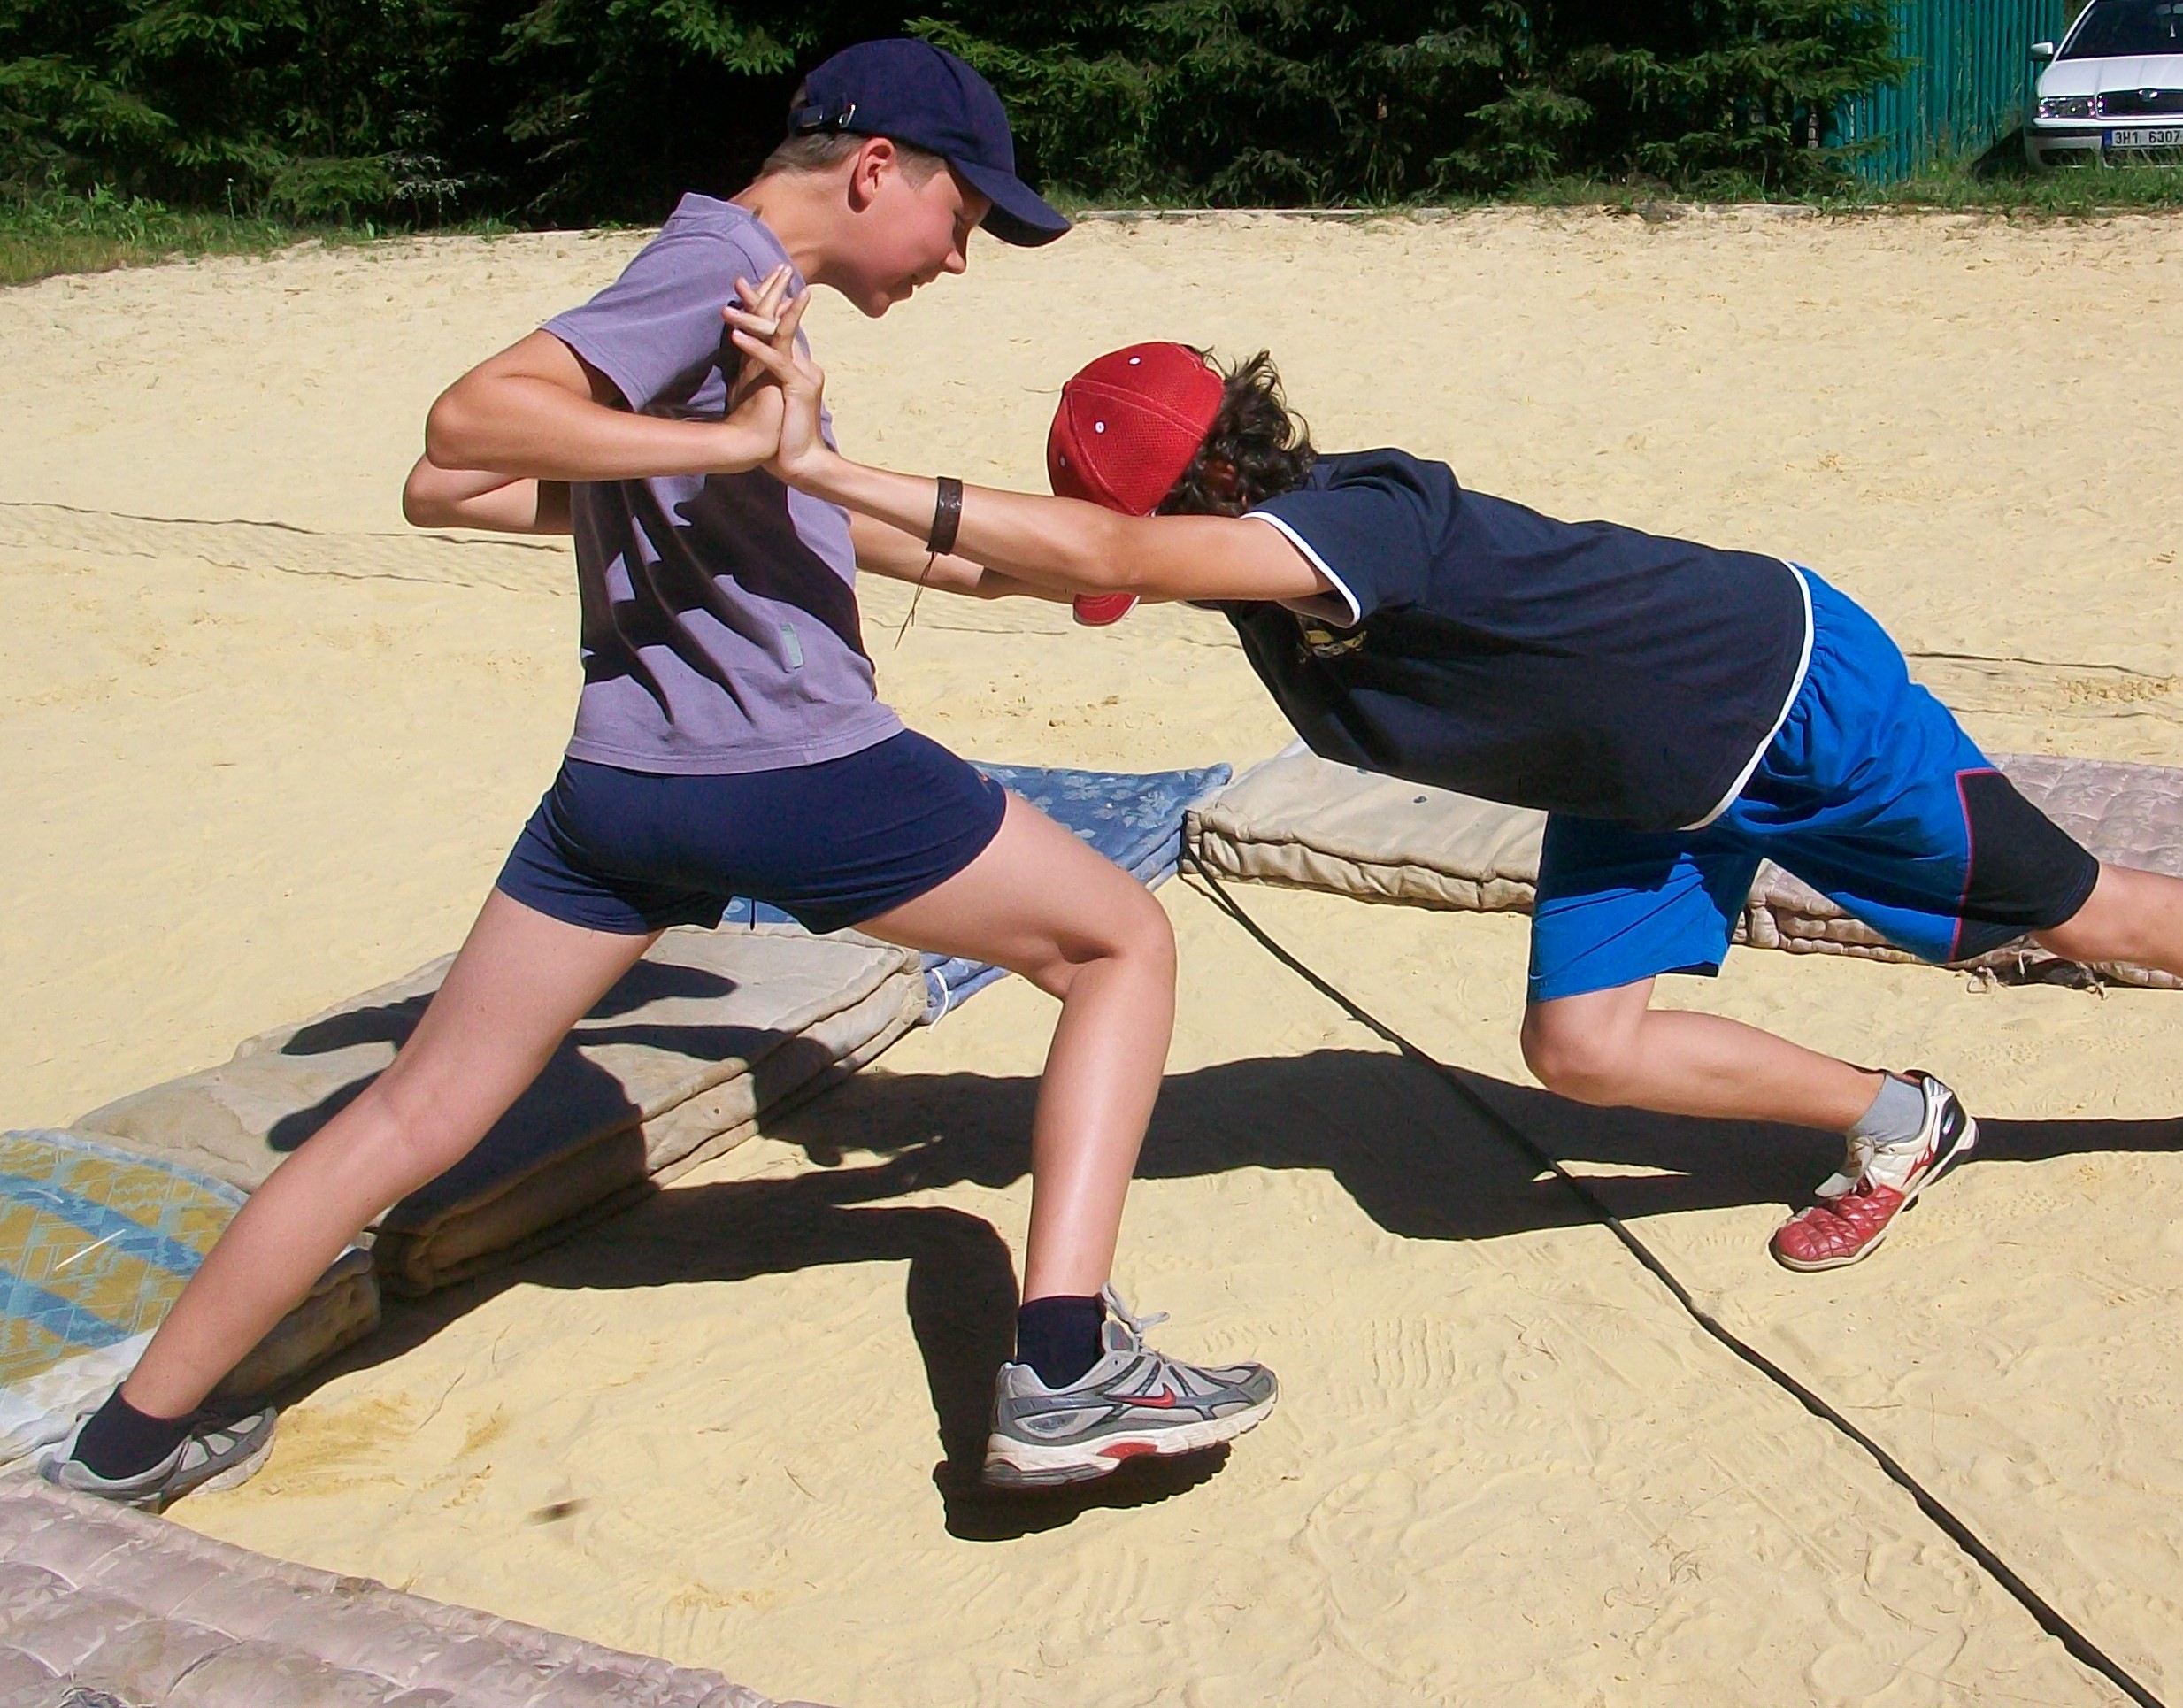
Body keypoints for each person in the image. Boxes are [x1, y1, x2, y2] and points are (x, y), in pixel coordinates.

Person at [42, 42, 1274, 1512]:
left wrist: (1031, 557)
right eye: (962, 217)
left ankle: (127, 1439)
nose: (960, 256)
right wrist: (740, 441)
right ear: (875, 168)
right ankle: (1066, 1367)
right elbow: (465, 426)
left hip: (621, 795)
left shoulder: (731, 295)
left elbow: (452, 495)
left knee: (411, 1112)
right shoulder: (720, 268)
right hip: (797, 772)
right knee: (1119, 944)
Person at [719, 310, 2183, 1274]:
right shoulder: (1253, 577)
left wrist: (824, 460)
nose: (1117, 565)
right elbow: (1020, 565)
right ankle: (1900, 1117)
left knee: (2086, 914)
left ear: (1193, 505)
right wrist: (768, 479)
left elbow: (1098, 549)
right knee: (1580, 1048)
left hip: (1783, 700)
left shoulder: (1355, 527)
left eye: (1133, 535)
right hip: (1631, 775)